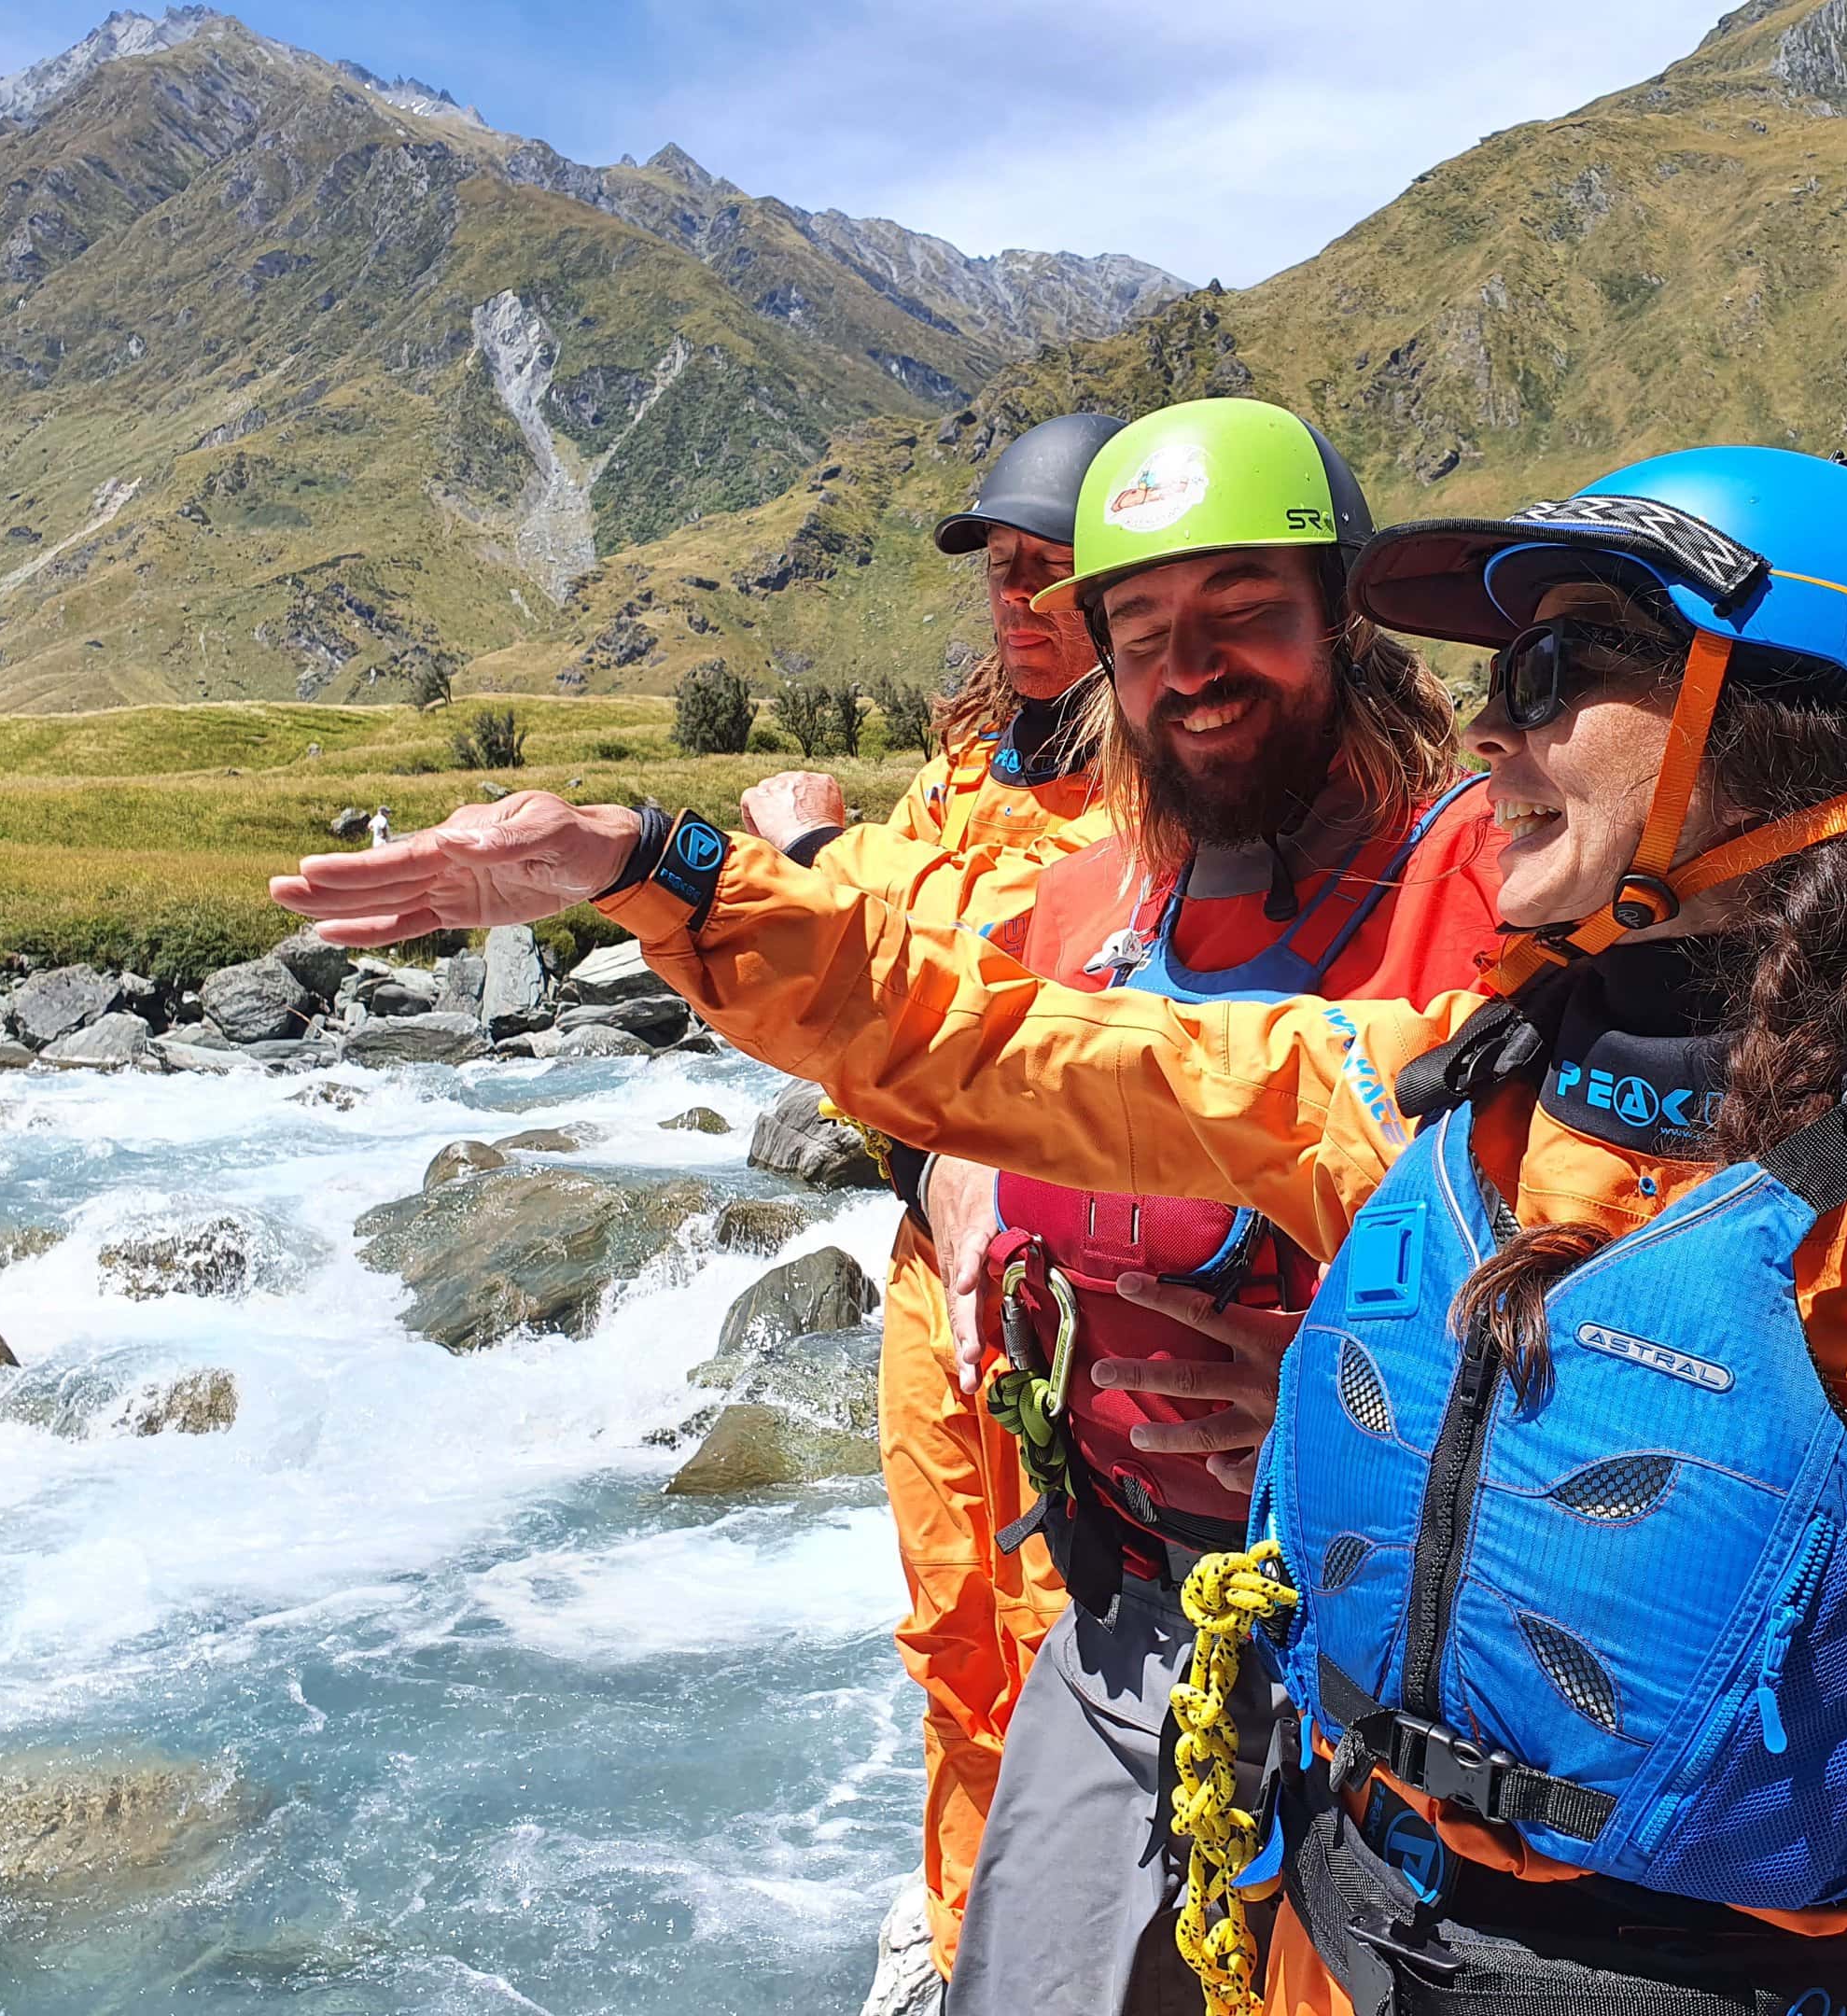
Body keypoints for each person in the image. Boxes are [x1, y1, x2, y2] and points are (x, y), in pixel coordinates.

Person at [276, 444, 1847, 2016]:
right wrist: (662, 866)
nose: (1495, 722)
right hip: (1326, 1943)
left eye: (1572, 667)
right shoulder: (1430, 1093)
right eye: (1497, 674)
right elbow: (1004, 1039)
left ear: (1803, 724)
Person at [898, 398, 1504, 2016]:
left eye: (1245, 610)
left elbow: (1599, 1262)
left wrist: (1338, 1407)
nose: (1193, 664)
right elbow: (973, 1075)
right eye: (1145, 626)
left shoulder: (1482, 891)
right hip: (1121, 1614)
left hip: (1387, 1657)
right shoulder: (1083, 902)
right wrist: (958, 1160)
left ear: (1347, 620)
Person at [737, 409, 1125, 1997]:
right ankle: (963, 1928)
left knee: (1064, 1639)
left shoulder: (1159, 800)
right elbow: (863, 996)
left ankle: (1084, 1956)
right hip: (927, 1254)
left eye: (1049, 572)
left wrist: (821, 847)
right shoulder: (968, 765)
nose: (1016, 599)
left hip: (1077, 1286)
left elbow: (972, 996)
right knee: (951, 1623)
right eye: (1001, 571)